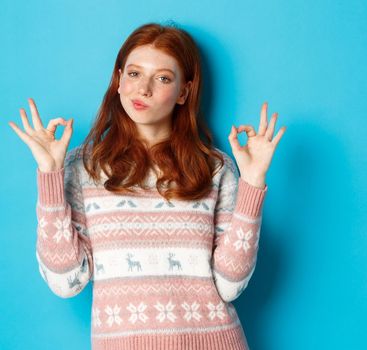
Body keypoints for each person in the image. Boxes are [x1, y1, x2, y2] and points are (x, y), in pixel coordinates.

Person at [7, 22, 286, 350]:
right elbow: (66, 281)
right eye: (135, 74)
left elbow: (229, 285)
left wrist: (252, 183)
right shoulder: (82, 168)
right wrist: (50, 175)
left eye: (163, 78)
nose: (143, 89)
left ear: (184, 92)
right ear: (118, 79)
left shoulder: (214, 168)